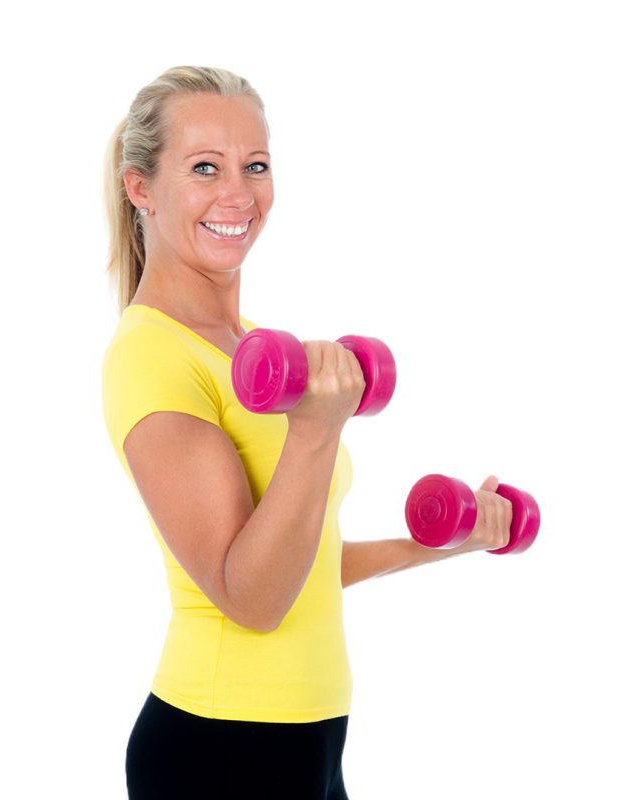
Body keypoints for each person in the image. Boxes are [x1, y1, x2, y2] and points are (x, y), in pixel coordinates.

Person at [101, 65, 513, 800]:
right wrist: (315, 432)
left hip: (308, 744)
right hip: (218, 748)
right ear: (141, 188)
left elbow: (305, 567)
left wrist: (445, 543)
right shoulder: (151, 355)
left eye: (255, 166)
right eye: (205, 168)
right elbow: (252, 599)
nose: (239, 194)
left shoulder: (249, 341)